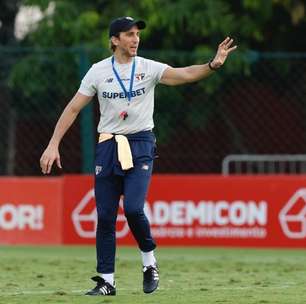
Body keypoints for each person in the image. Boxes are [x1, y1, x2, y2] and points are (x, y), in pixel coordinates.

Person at [39, 16, 237, 296]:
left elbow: (185, 74)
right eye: (129, 34)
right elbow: (72, 109)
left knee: (133, 208)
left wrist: (212, 65)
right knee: (106, 216)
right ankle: (107, 281)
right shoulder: (97, 72)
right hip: (108, 145)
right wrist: (53, 144)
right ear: (114, 40)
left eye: (137, 34)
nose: (135, 39)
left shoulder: (148, 67)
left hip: (141, 143)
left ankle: (149, 262)